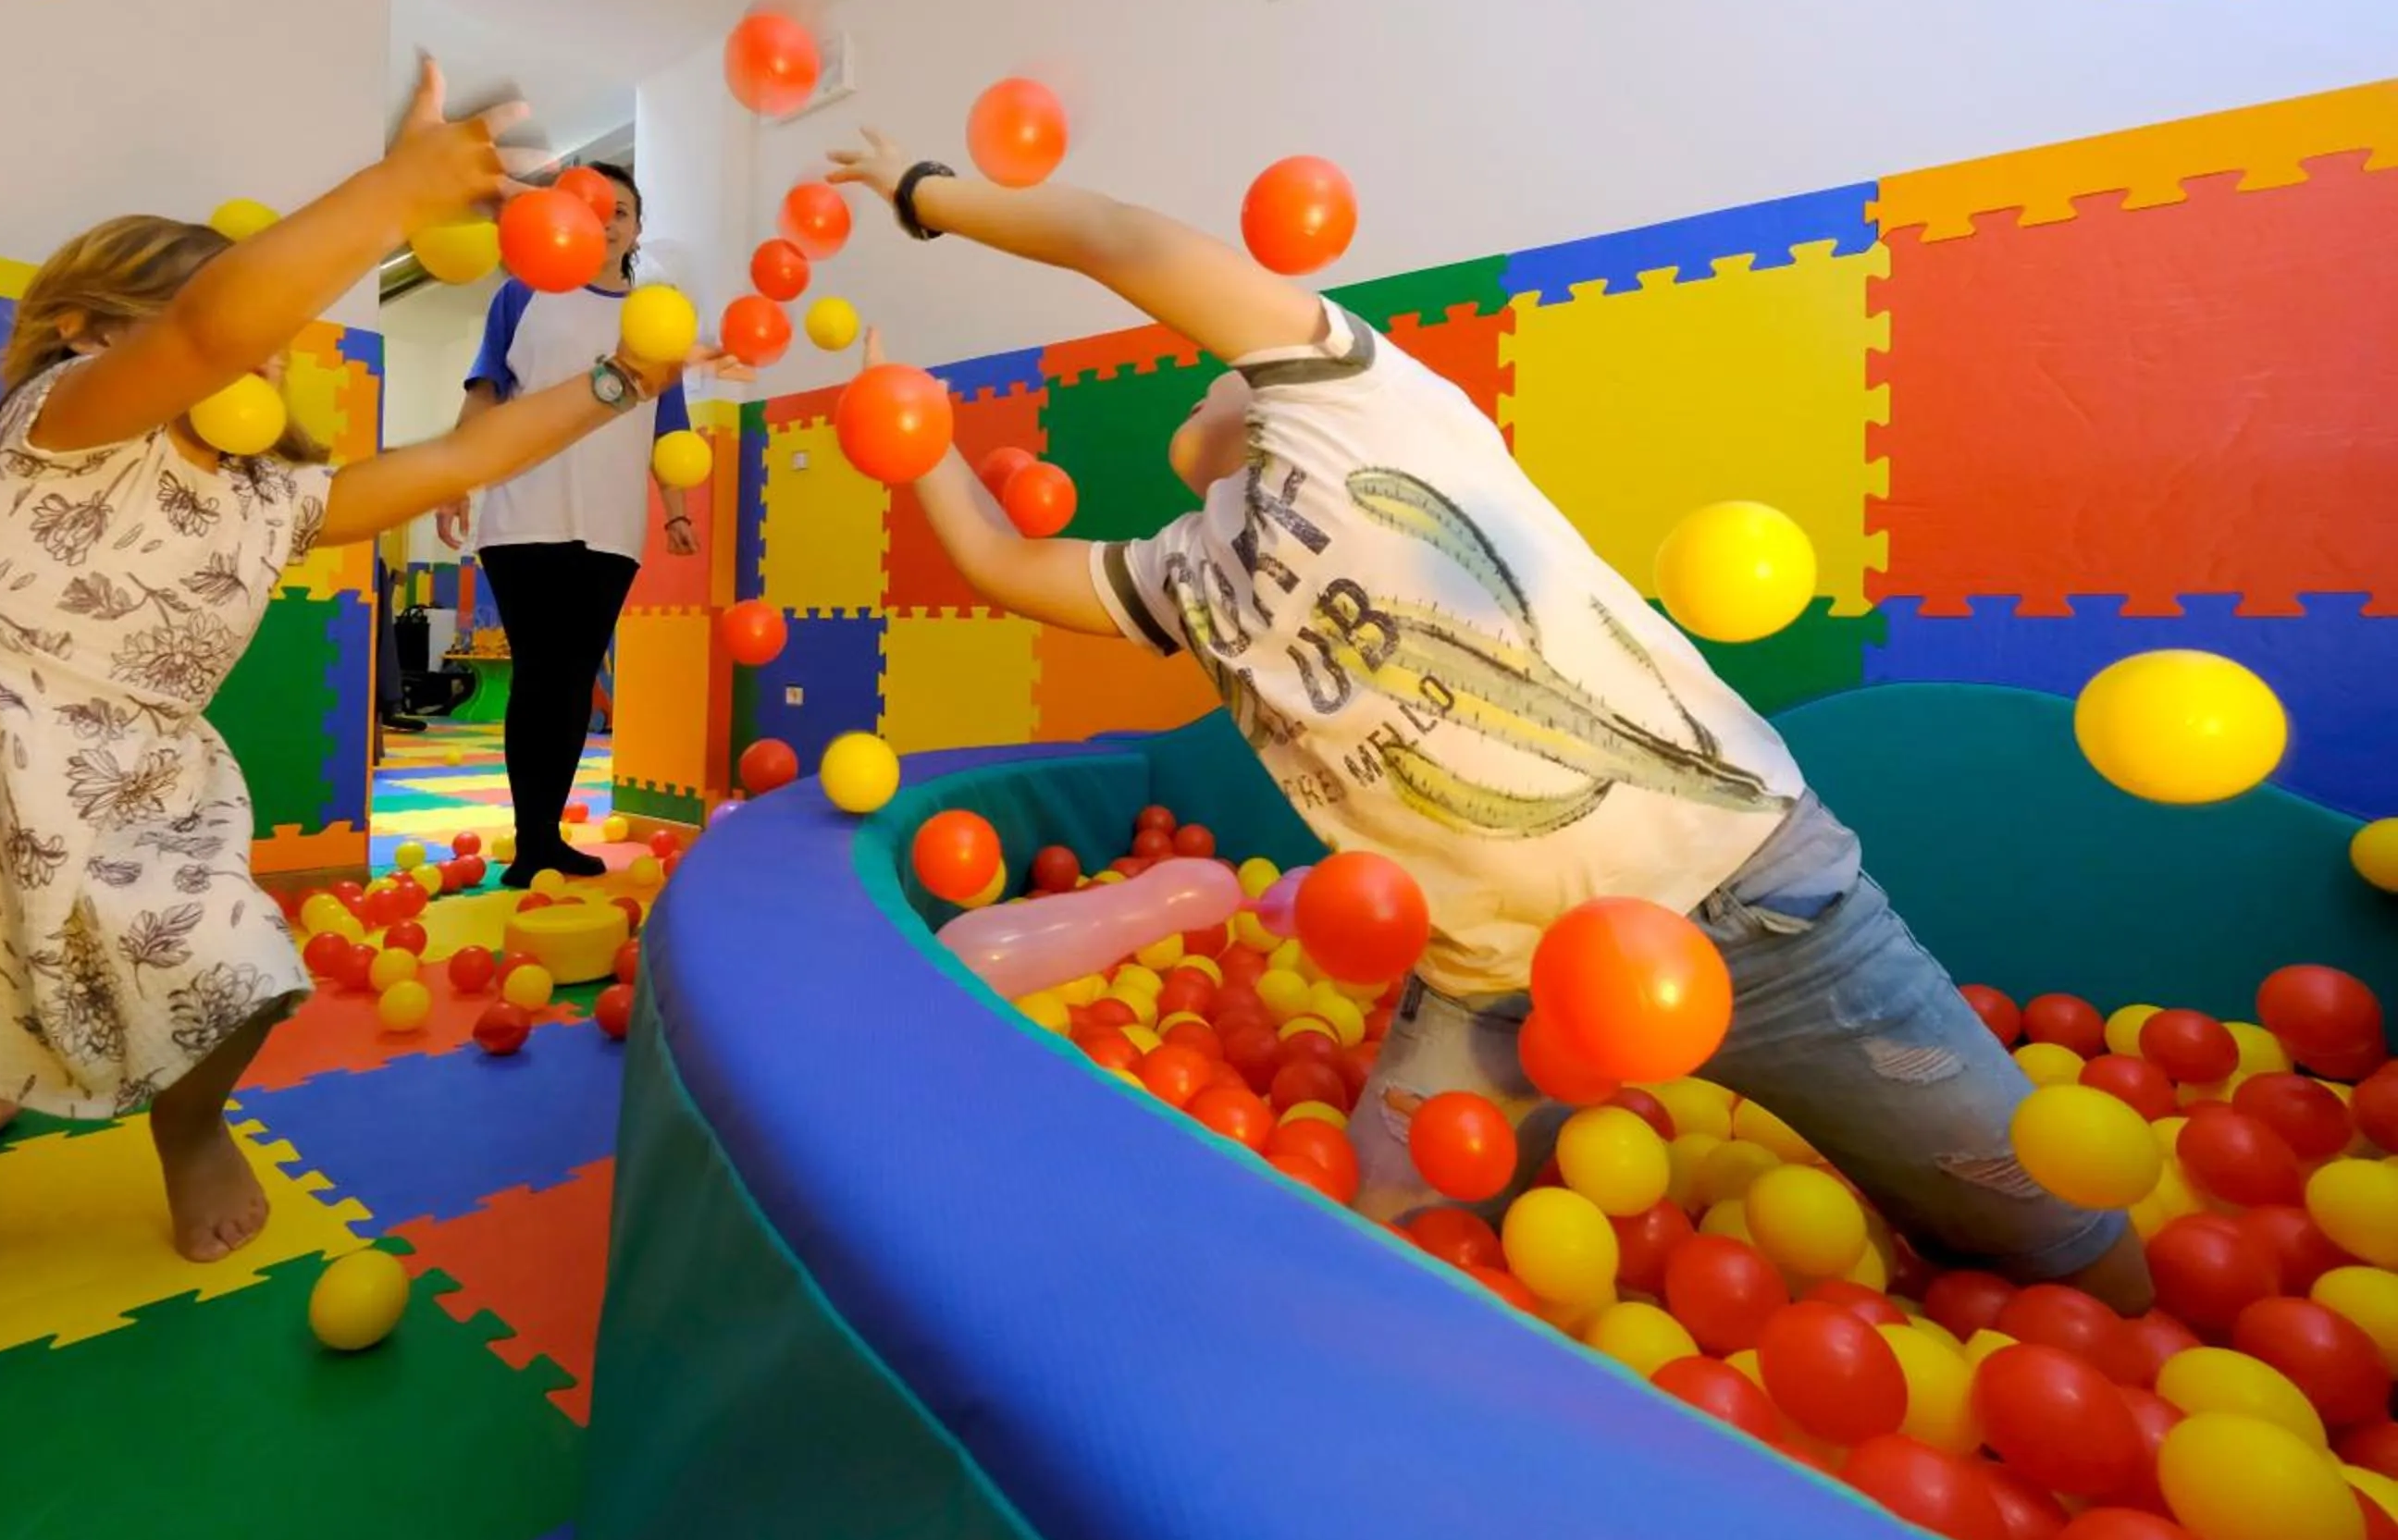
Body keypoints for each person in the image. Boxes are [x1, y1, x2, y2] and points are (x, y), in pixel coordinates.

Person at [822, 128, 2153, 1312]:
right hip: (1495, 983)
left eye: (1218, 372)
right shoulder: (1183, 575)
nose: (1203, 386)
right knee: (1386, 1265)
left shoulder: (1359, 407)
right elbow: (1002, 568)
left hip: (1759, 905)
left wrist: (930, 194)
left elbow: (1119, 240)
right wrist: (912, 431)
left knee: (2045, 1226)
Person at [0, 60, 716, 1299]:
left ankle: (187, 1126)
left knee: (244, 961)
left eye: (266, 338)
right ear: (92, 333)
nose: (249, 346)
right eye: (228, 316)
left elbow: (471, 448)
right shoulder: (68, 420)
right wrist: (393, 196)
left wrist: (624, 383)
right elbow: (212, 330)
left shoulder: (273, 503)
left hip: (118, 801)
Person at [434, 162, 698, 886]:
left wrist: (676, 511)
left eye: (622, 209)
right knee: (541, 675)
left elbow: (667, 424)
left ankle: (545, 839)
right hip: (524, 514)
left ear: (637, 228)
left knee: (576, 680)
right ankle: (532, 841)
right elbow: (486, 392)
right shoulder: (522, 295)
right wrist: (456, 480)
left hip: (612, 526)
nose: (608, 217)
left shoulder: (656, 318)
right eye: (594, 206)